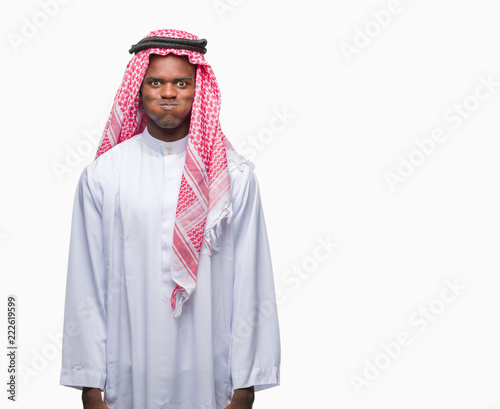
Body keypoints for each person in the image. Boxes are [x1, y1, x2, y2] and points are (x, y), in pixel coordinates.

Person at [59, 29, 280, 409]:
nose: (168, 92)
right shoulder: (104, 175)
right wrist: (89, 383)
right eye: (156, 82)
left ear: (199, 91)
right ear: (139, 90)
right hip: (126, 375)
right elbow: (86, 282)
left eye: (181, 82)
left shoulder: (233, 177)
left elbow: (251, 280)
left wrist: (246, 386)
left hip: (210, 374)